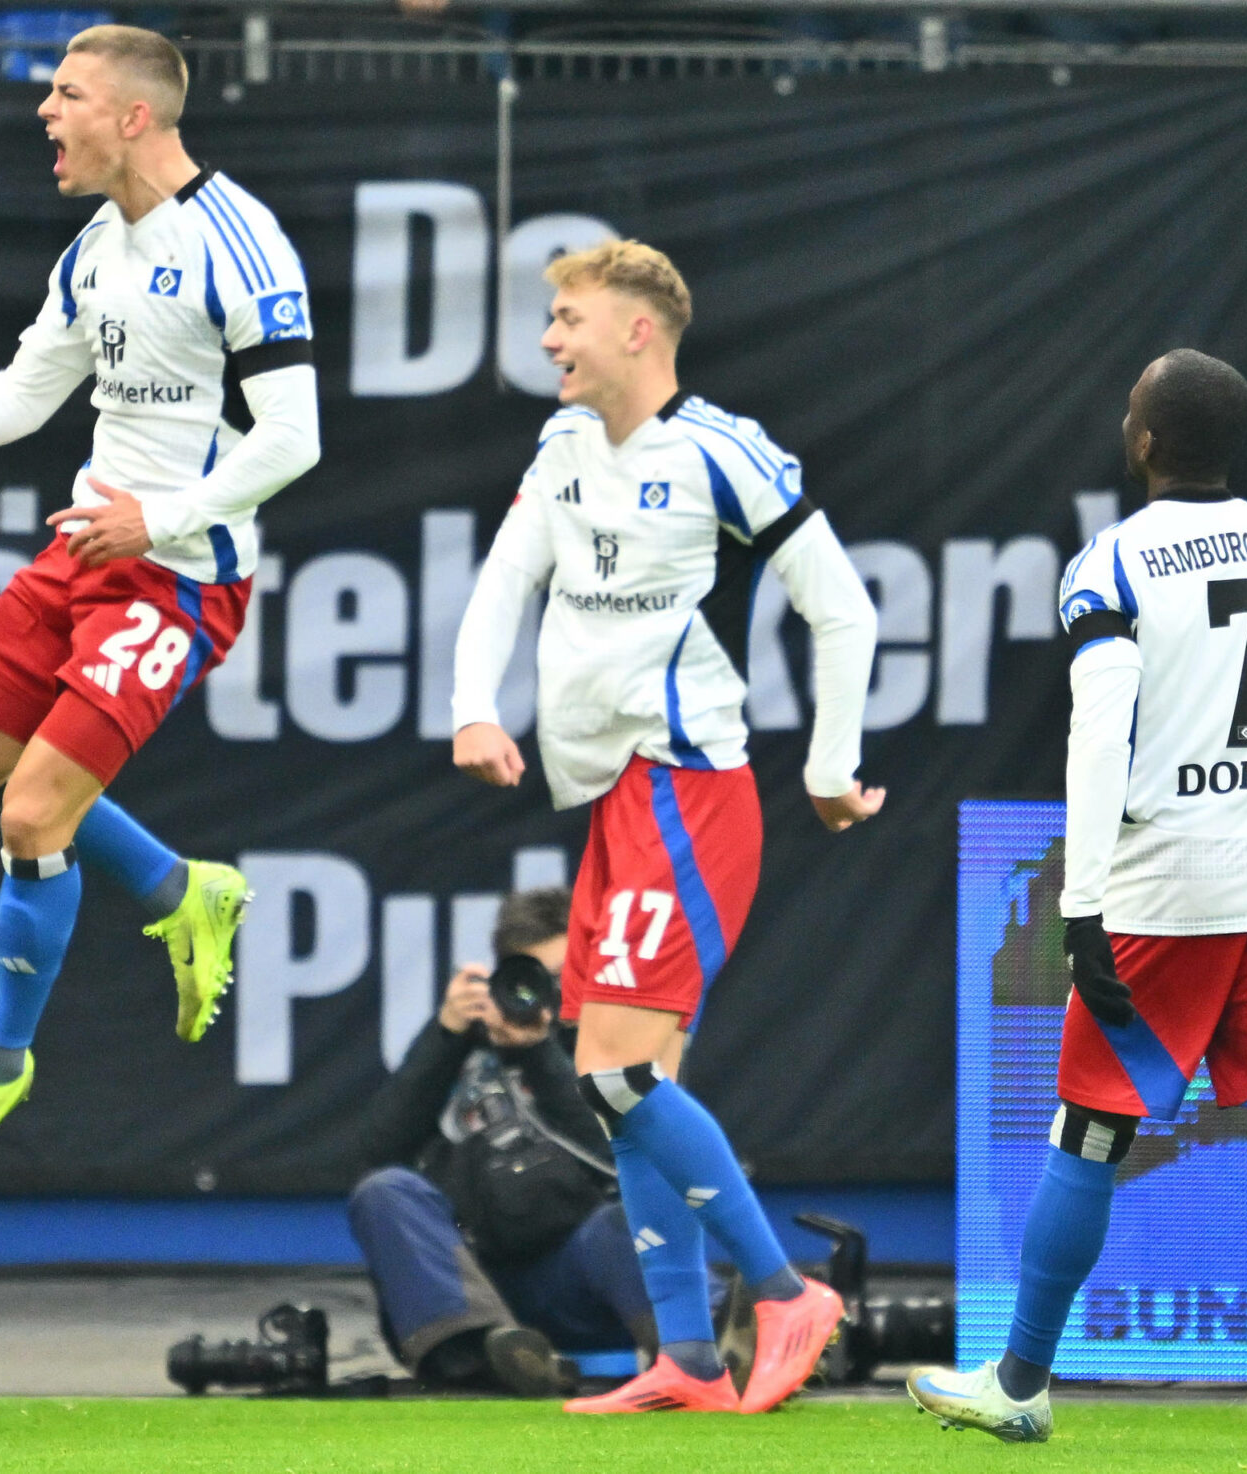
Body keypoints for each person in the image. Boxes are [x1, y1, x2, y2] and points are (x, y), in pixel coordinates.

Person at [0, 24, 321, 1183]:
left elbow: (295, 437)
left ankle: (0, 1060)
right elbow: (32, 393)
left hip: (179, 576)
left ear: (133, 116)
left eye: (67, 94)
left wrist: (165, 520)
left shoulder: (240, 243)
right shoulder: (96, 249)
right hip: (84, 546)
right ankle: (182, 889)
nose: (45, 114)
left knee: (34, 815)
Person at [908, 351, 1247, 1449]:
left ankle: (1021, 1383)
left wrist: (1082, 904)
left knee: (1088, 1132)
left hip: (1163, 889)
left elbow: (1098, 735)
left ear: (1142, 441)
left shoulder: (1113, 562)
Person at [449, 239, 883, 1415]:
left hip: (687, 792)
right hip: (614, 801)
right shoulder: (562, 446)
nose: (548, 339)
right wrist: (472, 706)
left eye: (567, 317)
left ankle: (787, 1292)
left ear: (637, 331)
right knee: (620, 1086)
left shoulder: (722, 452)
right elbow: (504, 579)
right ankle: (689, 1357)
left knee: (618, 1072)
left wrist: (832, 766)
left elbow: (840, 608)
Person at [347, 888, 654, 1397]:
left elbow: (623, 1154)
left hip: (577, 1279)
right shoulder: (465, 1043)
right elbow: (374, 1154)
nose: (549, 993)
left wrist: (541, 1054)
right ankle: (483, 1362)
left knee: (626, 1220)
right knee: (384, 1191)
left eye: (562, 976)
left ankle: (708, 1346)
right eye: (535, 977)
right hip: (471, 1291)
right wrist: (445, 1037)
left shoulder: (615, 1042)